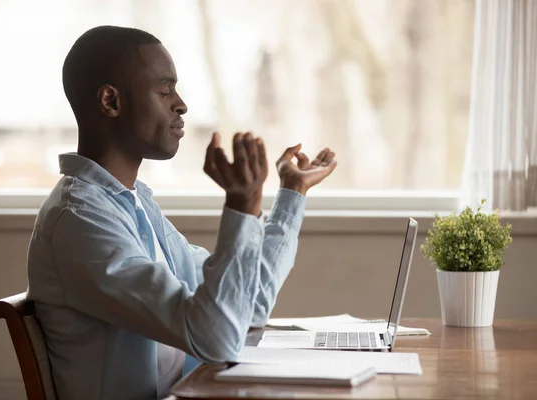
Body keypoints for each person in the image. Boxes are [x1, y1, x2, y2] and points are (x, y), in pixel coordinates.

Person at [27, 25, 337, 400]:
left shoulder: (132, 204)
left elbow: (248, 306)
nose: (181, 104)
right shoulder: (80, 221)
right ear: (110, 101)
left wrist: (292, 191)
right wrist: (241, 204)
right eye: (164, 89)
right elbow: (217, 339)